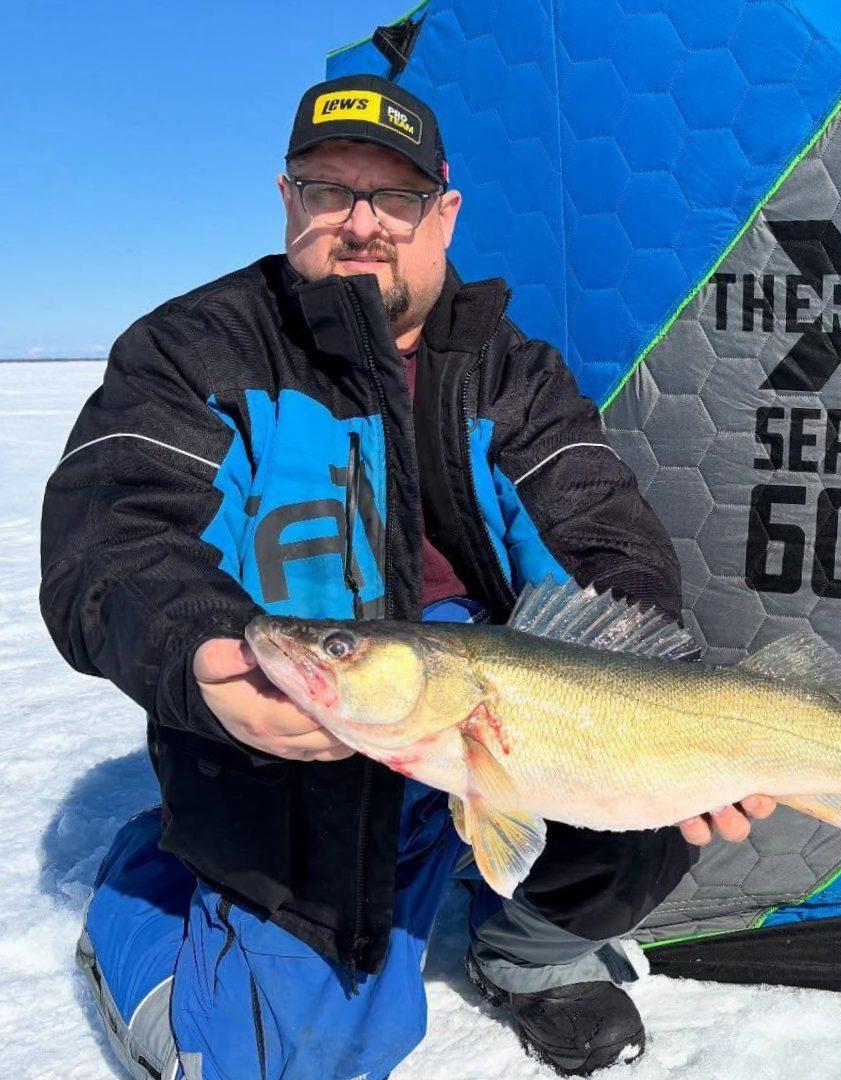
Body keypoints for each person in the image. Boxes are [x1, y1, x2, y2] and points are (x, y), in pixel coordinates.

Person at [40, 74, 775, 1079]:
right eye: (329, 190)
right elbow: (116, 534)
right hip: (296, 736)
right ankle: (148, 884)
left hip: (475, 702)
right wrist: (199, 656)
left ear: (444, 212)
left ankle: (527, 948)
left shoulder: (510, 371)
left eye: (395, 196)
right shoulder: (192, 351)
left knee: (646, 812)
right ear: (288, 200)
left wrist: (654, 701)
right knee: (277, 1059)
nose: (362, 223)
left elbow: (602, 533)